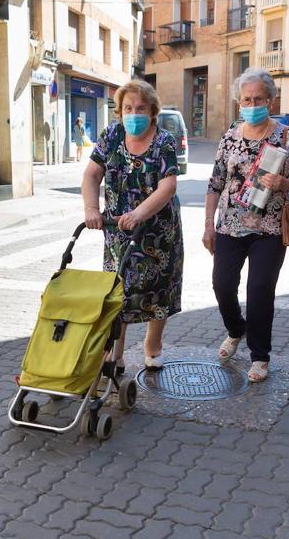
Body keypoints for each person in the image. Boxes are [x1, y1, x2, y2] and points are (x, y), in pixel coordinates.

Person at [204, 67, 289, 382]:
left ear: (271, 100)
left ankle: (260, 356)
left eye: (259, 99)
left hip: (269, 229)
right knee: (222, 285)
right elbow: (214, 184)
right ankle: (236, 329)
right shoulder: (229, 138)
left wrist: (287, 183)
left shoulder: (288, 137)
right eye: (246, 100)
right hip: (230, 226)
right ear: (239, 102)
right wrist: (208, 226)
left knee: (260, 290)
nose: (252, 105)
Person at [82, 80, 183, 373]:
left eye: (140, 108)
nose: (134, 113)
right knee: (118, 291)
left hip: (158, 228)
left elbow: (168, 186)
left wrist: (139, 213)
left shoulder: (164, 141)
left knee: (158, 289)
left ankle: (153, 345)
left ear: (152, 111)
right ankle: (115, 353)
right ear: (120, 110)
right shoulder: (111, 136)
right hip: (118, 230)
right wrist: (91, 208)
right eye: (128, 108)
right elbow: (91, 175)